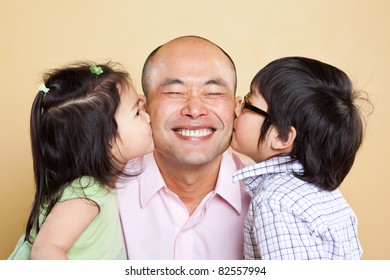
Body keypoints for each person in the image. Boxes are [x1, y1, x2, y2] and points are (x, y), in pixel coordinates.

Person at [117, 35, 251, 259]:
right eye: (174, 92)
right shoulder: (98, 196)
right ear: (144, 106)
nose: (195, 109)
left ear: (236, 108)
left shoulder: (274, 200)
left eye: (213, 93)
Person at [8, 62, 153, 259]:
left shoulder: (91, 188)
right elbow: (44, 251)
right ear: (106, 141)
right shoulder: (86, 193)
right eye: (137, 112)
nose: (147, 113)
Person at [231, 56, 366, 260]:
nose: (237, 105)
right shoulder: (320, 192)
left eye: (249, 102)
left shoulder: (274, 204)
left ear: (281, 136)